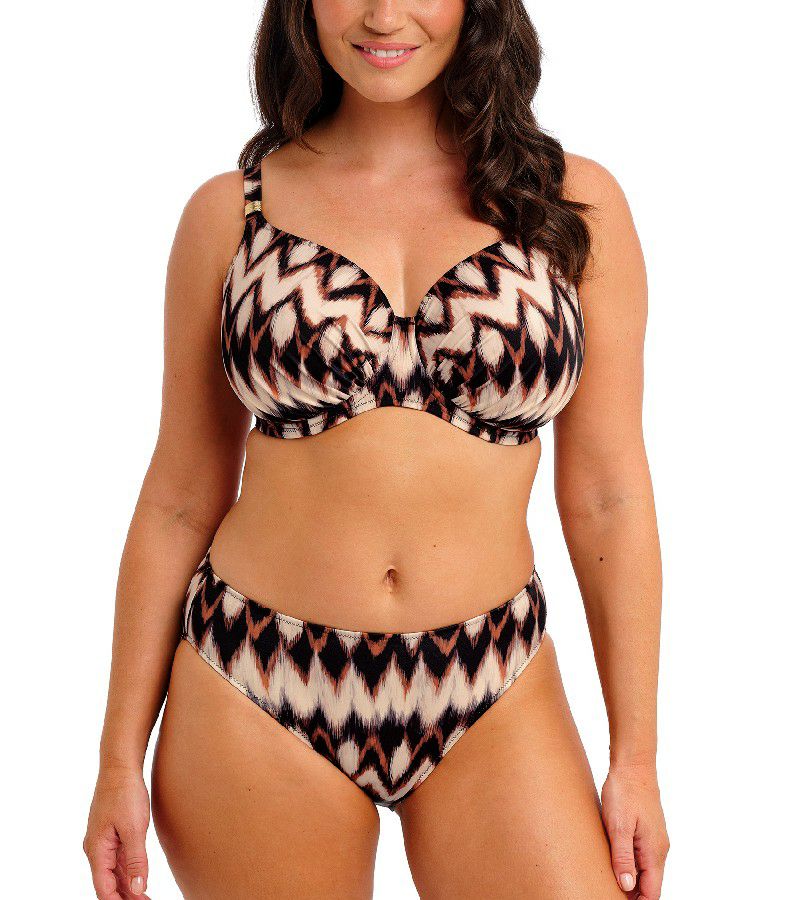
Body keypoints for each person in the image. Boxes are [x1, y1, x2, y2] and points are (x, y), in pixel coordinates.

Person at [83, 0, 669, 897]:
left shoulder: (569, 205)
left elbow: (608, 496)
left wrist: (637, 758)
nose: (385, 15)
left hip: (491, 678)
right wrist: (117, 758)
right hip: (256, 679)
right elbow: (178, 498)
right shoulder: (231, 213)